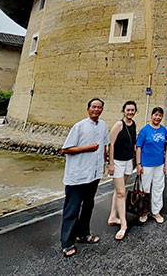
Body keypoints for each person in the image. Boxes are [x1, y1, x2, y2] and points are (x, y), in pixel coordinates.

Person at [60, 98, 110, 257]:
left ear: (102, 110)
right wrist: (87, 148)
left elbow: (104, 146)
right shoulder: (79, 126)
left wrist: (103, 164)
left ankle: (83, 234)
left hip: (93, 174)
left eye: (99, 107)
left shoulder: (103, 125)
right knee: (72, 209)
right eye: (94, 107)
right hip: (78, 175)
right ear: (88, 109)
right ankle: (67, 242)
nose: (96, 109)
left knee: (88, 205)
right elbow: (65, 150)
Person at [106, 101, 137, 240]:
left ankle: (113, 216)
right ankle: (123, 225)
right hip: (117, 162)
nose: (130, 112)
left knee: (119, 190)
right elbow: (111, 144)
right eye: (128, 110)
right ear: (123, 110)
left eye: (132, 110)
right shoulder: (119, 125)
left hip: (128, 162)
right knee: (121, 192)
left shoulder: (134, 124)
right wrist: (111, 163)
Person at [136, 107, 167, 224]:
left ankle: (155, 211)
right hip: (146, 164)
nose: (157, 117)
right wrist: (138, 164)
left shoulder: (163, 130)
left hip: (159, 163)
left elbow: (166, 147)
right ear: (152, 115)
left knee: (158, 188)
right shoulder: (145, 130)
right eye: (155, 115)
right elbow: (138, 147)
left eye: (160, 115)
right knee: (144, 188)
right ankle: (144, 211)